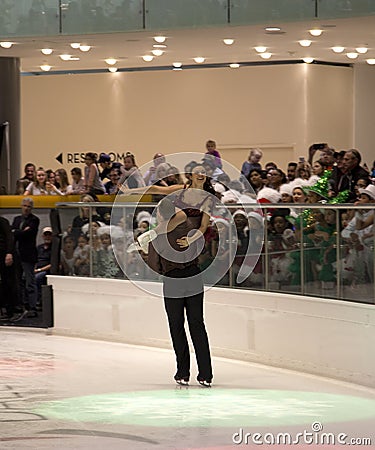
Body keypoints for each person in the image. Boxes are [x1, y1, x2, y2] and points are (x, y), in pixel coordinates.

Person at [147, 187, 213, 387]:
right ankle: (206, 374)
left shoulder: (157, 236)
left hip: (172, 280)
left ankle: (183, 372)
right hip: (194, 277)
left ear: (160, 214)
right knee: (197, 324)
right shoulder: (191, 226)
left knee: (177, 326)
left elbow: (154, 265)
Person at [11, 197, 40, 319]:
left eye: (28, 206)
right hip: (17, 254)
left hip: (28, 255)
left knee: (30, 282)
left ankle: (32, 307)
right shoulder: (17, 219)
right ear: (21, 206)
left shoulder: (34, 220)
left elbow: (27, 234)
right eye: (24, 206)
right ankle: (22, 305)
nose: (26, 208)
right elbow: (14, 234)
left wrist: (17, 231)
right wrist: (20, 231)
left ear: (31, 208)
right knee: (19, 282)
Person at [0, 215, 19, 320]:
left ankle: (11, 310)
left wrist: (9, 253)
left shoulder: (3, 221)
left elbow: (9, 237)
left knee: (8, 282)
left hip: (4, 254)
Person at [34, 226, 52, 307]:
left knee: (37, 277)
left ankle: (38, 300)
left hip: (46, 270)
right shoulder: (39, 247)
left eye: (49, 235)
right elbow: (34, 259)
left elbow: (53, 264)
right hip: (36, 268)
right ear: (43, 236)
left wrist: (39, 270)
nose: (47, 237)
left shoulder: (54, 248)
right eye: (46, 235)